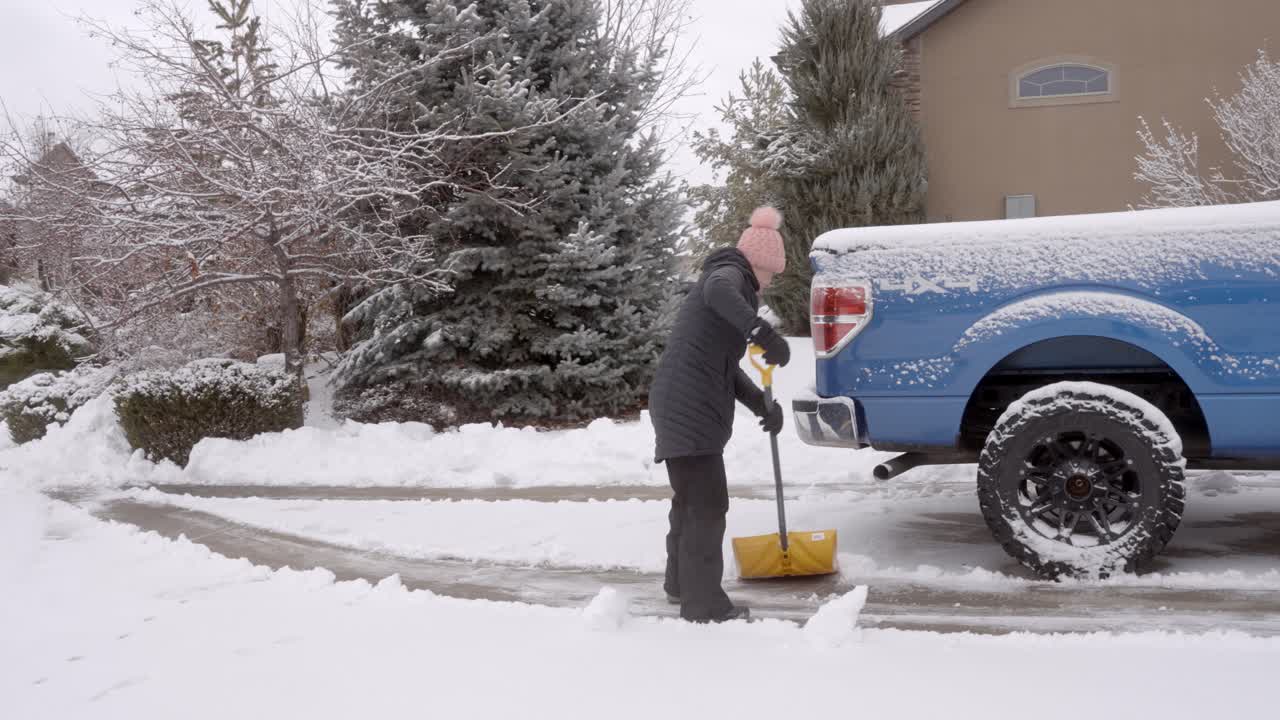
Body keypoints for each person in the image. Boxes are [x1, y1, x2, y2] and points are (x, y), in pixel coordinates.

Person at [648, 206, 791, 623]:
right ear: (759, 264)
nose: (768, 284)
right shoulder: (728, 275)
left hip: (684, 402)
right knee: (707, 504)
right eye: (770, 273)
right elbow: (716, 290)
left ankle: (681, 586)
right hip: (688, 407)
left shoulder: (732, 286)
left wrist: (763, 405)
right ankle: (704, 603)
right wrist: (761, 331)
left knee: (691, 501)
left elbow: (725, 370)